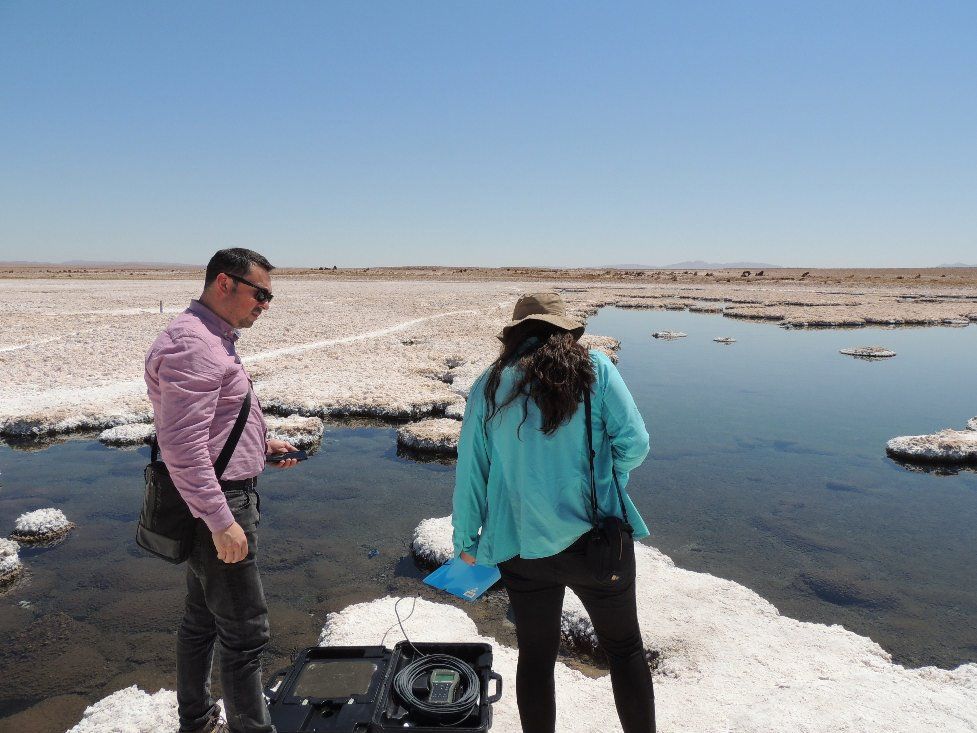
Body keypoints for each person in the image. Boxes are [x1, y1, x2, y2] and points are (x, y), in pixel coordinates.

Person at [452, 292, 655, 733]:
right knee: (624, 650)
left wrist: (466, 539)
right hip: (598, 543)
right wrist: (607, 476)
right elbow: (635, 444)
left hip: (522, 549)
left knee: (536, 656)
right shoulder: (596, 369)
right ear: (565, 330)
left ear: (516, 334)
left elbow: (472, 469)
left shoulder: (489, 382)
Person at [145, 248, 299, 733]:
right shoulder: (195, 344)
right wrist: (221, 522)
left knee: (202, 619)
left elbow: (211, 427)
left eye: (270, 296)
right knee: (246, 634)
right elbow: (182, 447)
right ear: (224, 283)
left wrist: (260, 445)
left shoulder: (214, 337)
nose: (266, 305)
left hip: (219, 495)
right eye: (261, 293)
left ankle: (197, 719)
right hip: (219, 504)